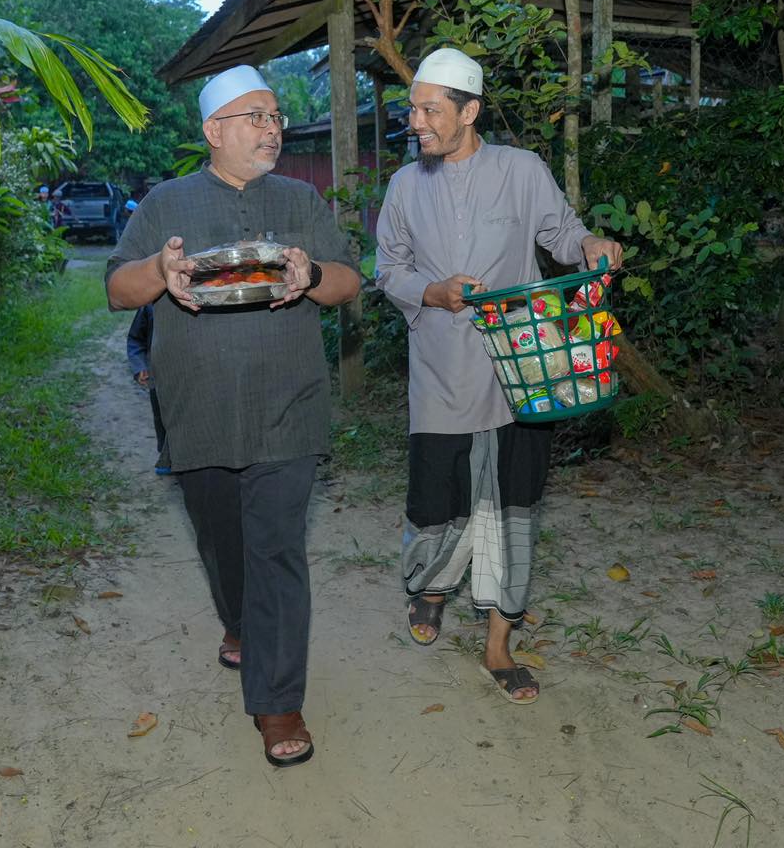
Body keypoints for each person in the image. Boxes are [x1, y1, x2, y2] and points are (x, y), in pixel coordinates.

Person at [105, 65, 361, 766]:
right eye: (256, 117)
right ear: (214, 131)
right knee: (224, 546)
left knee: (277, 550)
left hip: (290, 406)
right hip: (200, 415)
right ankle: (239, 623)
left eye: (275, 117)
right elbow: (117, 289)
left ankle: (277, 705)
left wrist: (311, 277)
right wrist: (160, 271)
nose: (272, 128)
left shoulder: (301, 201)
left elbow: (346, 280)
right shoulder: (165, 204)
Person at [375, 47, 623, 704]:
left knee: (512, 506)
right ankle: (430, 590)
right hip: (442, 372)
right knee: (437, 506)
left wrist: (591, 247)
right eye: (414, 109)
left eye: (430, 110)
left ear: (470, 111)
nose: (416, 121)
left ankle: (497, 647)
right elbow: (388, 269)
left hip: (521, 373)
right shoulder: (405, 187)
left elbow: (563, 234)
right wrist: (434, 293)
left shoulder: (521, 171)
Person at [125, 303, 170, 475]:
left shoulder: (204, 296)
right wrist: (140, 366)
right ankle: (165, 456)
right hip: (158, 374)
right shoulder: (150, 304)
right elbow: (136, 339)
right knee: (162, 415)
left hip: (192, 373)